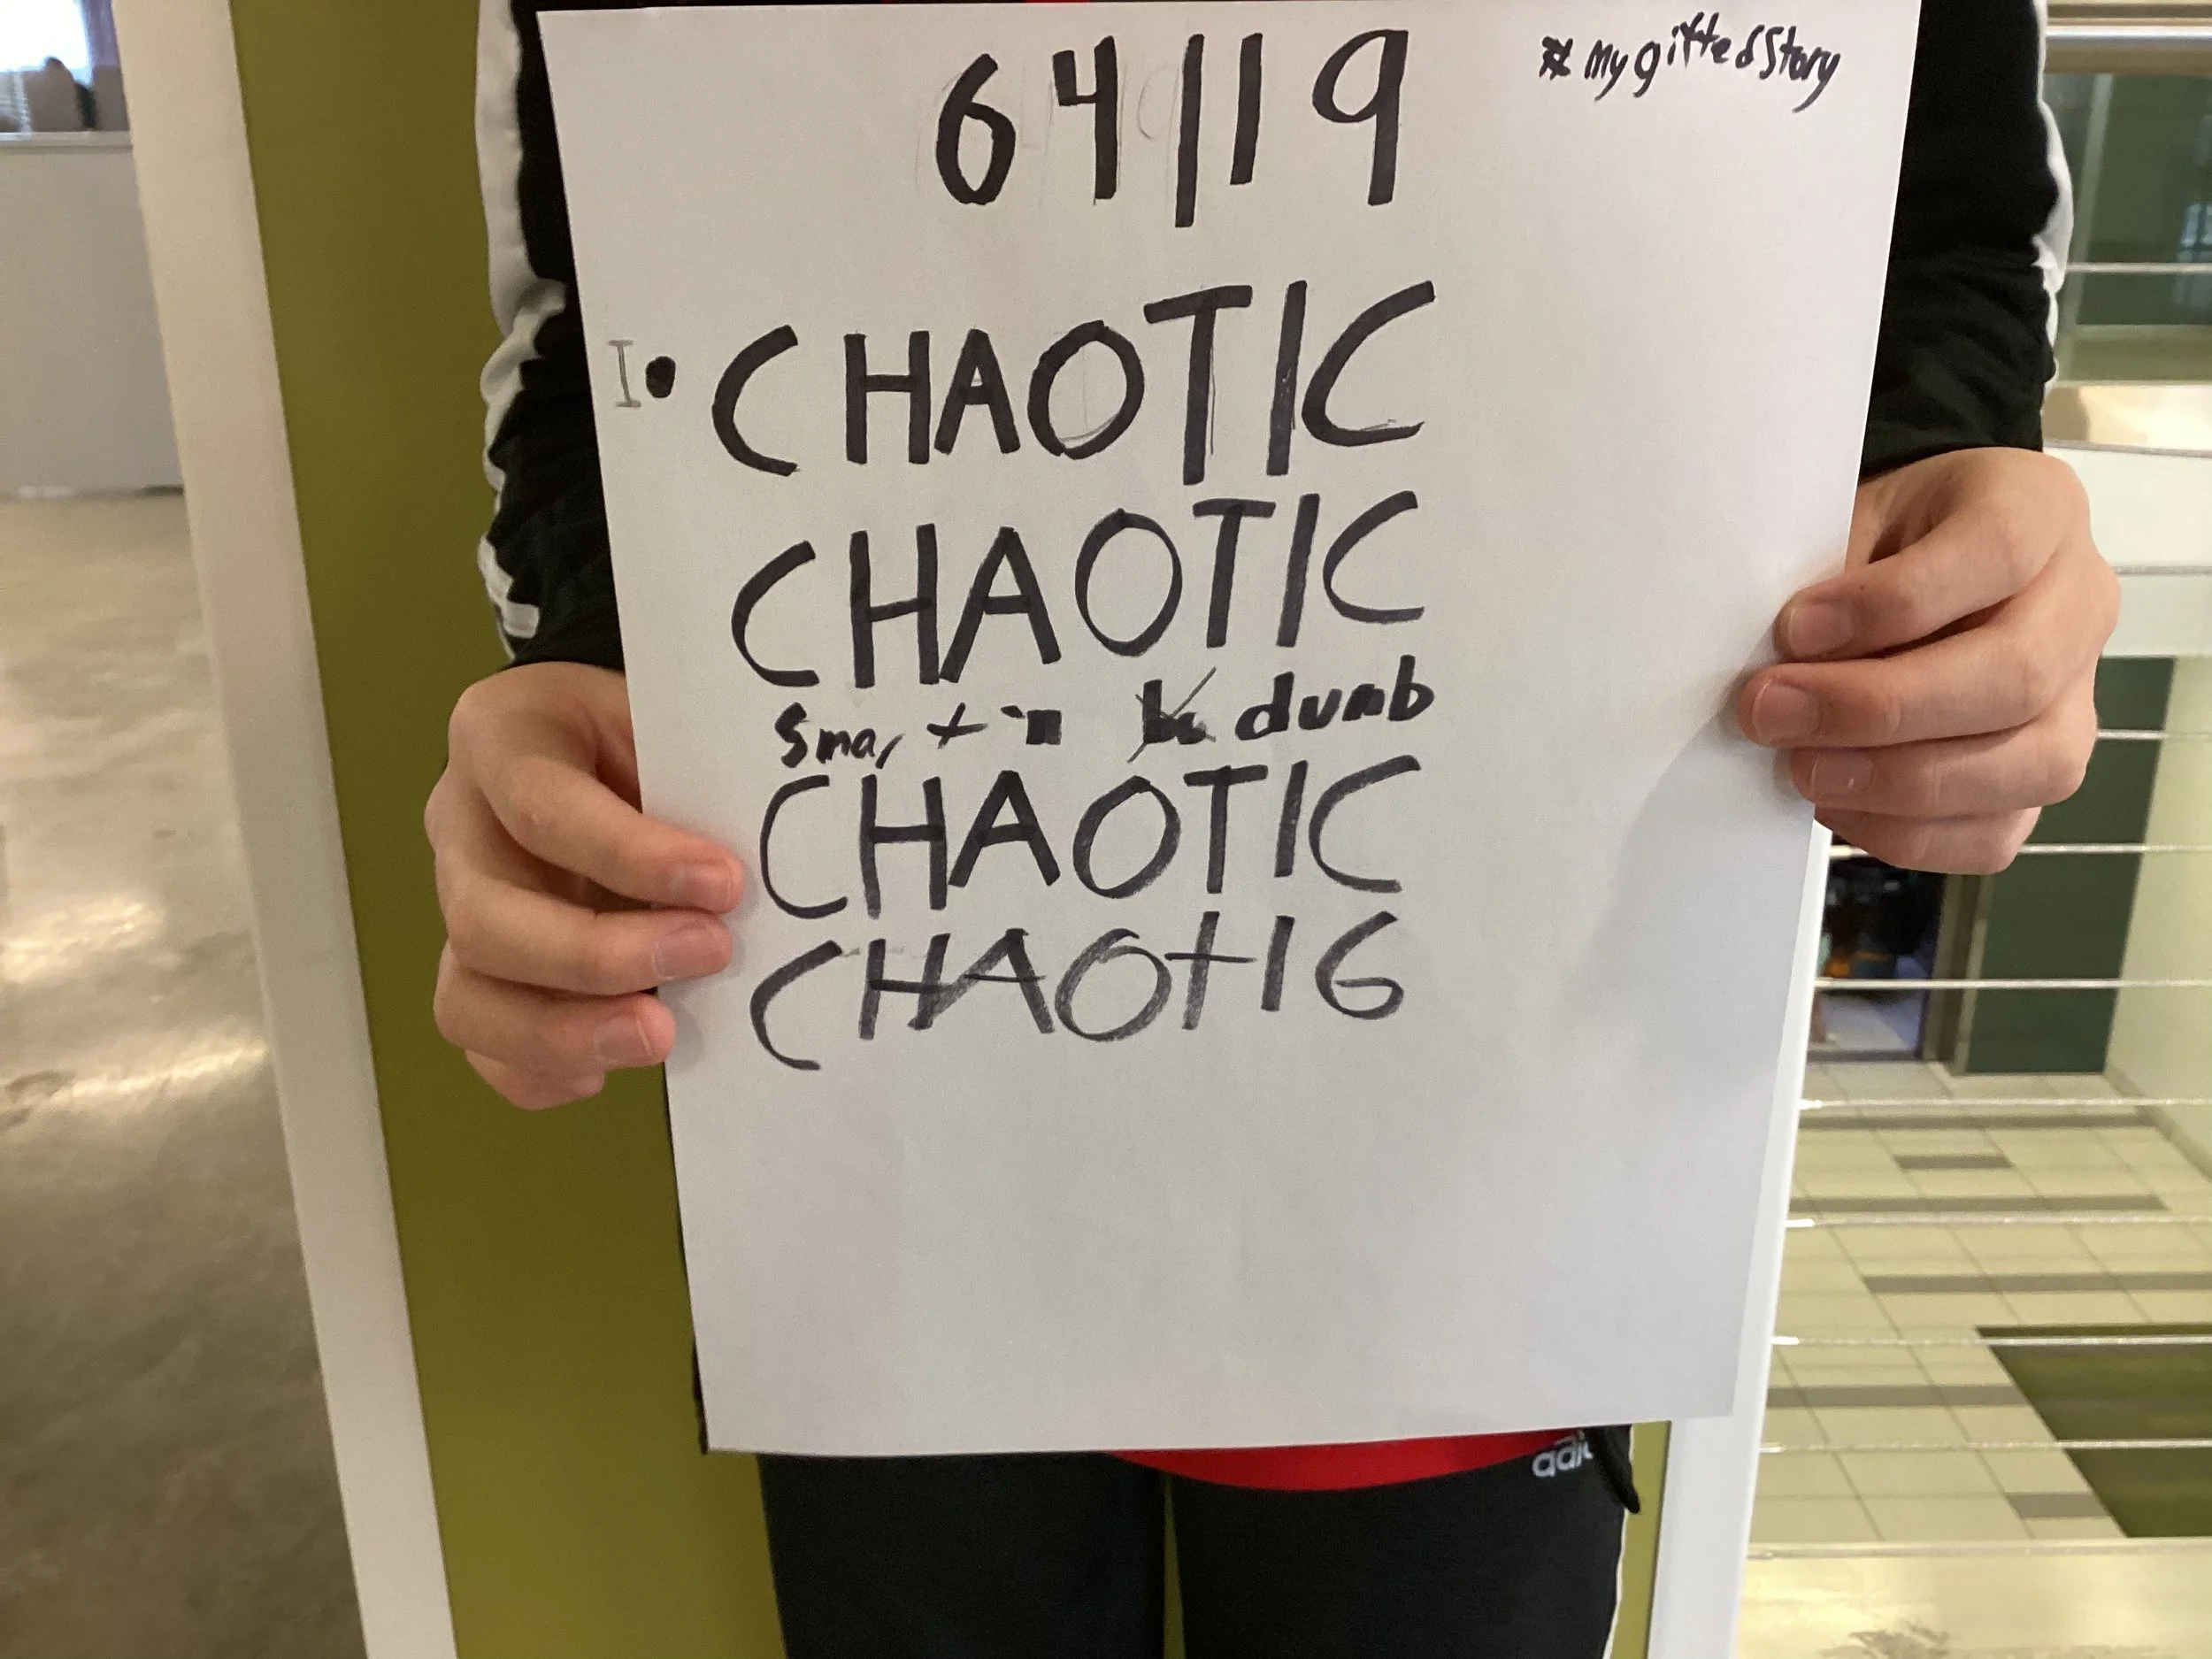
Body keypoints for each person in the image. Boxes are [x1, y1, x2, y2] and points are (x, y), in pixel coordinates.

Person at [426, 3, 2120, 1653]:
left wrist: (1944, 526)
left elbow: (1940, 225)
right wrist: (591, 665)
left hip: (1480, 1158)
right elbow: (593, 312)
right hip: (892, 1142)